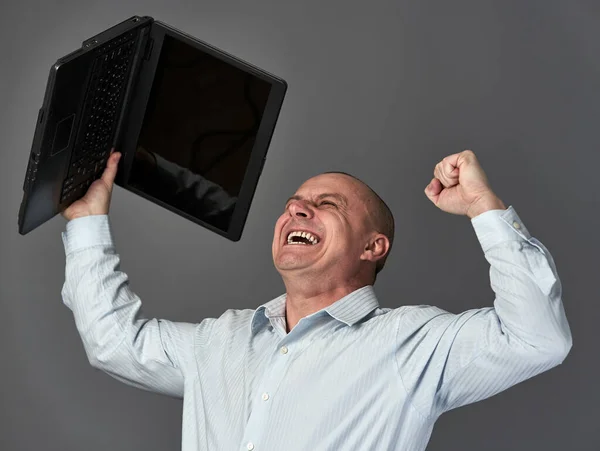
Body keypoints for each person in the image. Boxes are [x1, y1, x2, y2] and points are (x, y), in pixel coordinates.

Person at [60, 148, 572, 451]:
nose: (298, 212)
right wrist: (86, 224)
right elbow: (113, 343)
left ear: (373, 247)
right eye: (293, 206)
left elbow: (537, 338)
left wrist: (484, 207)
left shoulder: (411, 343)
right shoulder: (220, 340)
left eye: (326, 206)